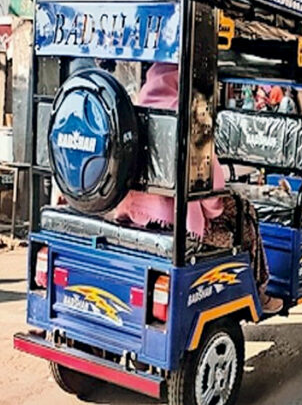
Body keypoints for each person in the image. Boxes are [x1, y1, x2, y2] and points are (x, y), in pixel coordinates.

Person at [112, 63, 283, 313]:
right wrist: (219, 203)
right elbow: (210, 191)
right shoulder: (189, 117)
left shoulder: (136, 110)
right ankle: (258, 290)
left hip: (133, 214)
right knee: (245, 212)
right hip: (179, 223)